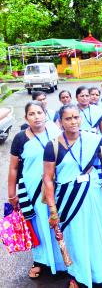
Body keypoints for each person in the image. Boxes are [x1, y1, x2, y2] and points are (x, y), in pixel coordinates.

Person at [43, 104, 102, 288]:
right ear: (60, 122)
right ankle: (79, 276)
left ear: (81, 118)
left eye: (76, 117)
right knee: (75, 237)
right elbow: (48, 179)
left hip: (92, 194)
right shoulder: (52, 146)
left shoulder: (94, 139)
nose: (73, 121)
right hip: (68, 199)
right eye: (68, 118)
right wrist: (52, 210)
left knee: (97, 234)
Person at [8, 101, 64, 279]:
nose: (36, 117)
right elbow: (13, 168)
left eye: (39, 112)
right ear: (26, 118)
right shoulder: (20, 138)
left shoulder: (55, 132)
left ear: (45, 114)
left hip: (56, 186)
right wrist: (12, 193)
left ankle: (62, 260)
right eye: (31, 114)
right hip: (32, 190)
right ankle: (40, 261)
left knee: (58, 221)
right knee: (37, 224)